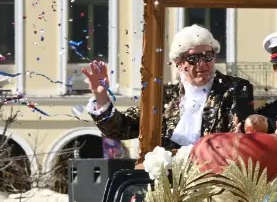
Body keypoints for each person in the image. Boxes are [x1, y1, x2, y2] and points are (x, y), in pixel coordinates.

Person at [82, 24, 255, 148]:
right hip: (171, 180)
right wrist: (101, 96)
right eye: (193, 58)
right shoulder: (163, 95)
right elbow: (121, 129)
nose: (202, 64)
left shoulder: (235, 88)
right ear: (179, 64)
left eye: (207, 56)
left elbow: (239, 133)